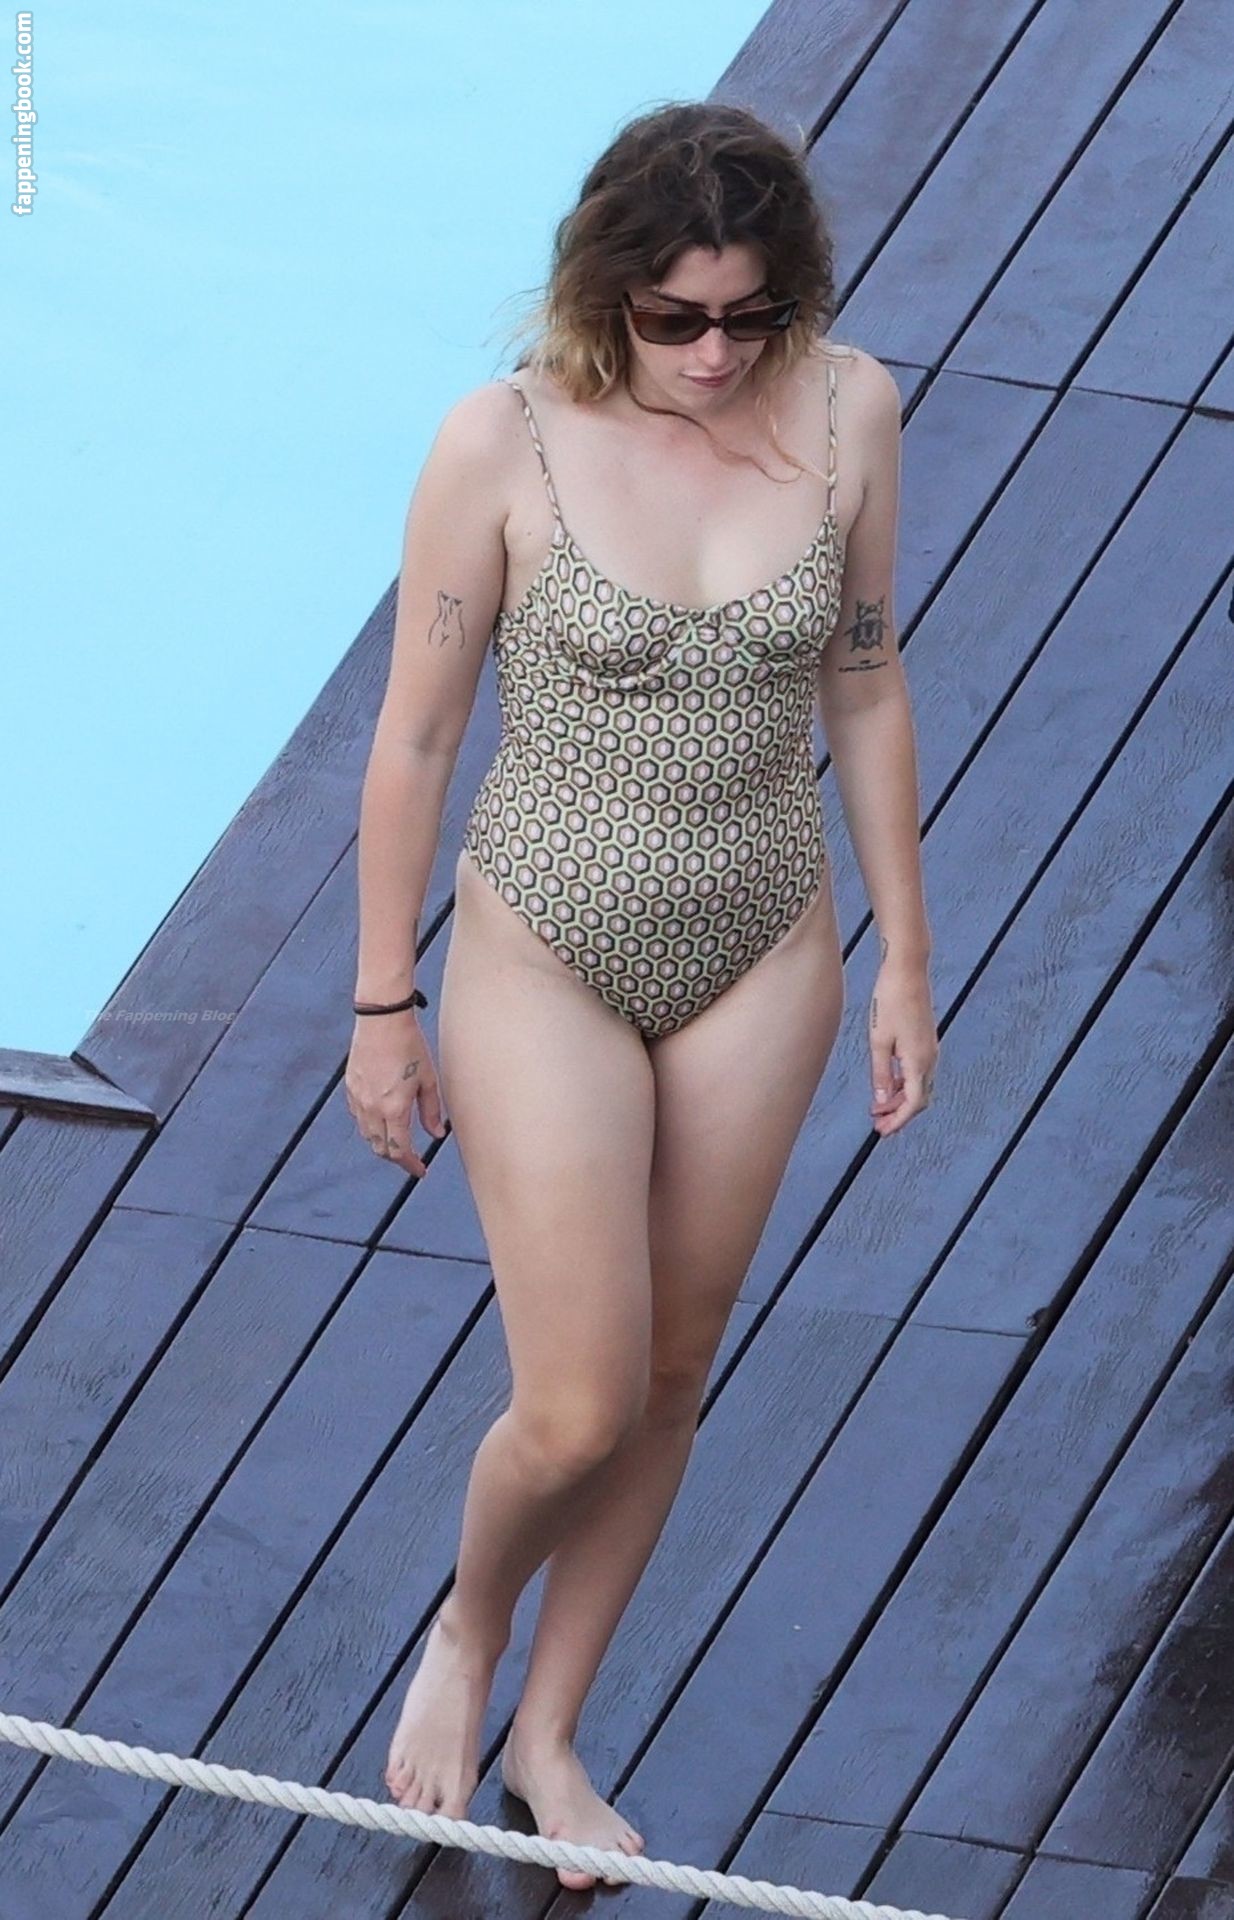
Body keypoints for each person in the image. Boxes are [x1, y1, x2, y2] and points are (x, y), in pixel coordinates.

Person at [345, 100, 937, 1891]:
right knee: (577, 1401)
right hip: (548, 943)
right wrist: (383, 1006)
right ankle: (468, 1628)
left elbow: (863, 680)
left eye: (750, 319)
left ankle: (550, 1729)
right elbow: (416, 737)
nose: (713, 355)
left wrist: (905, 955)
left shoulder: (849, 409)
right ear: (605, 289)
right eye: (675, 319)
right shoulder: (504, 439)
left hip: (762, 943)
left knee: (674, 1368)